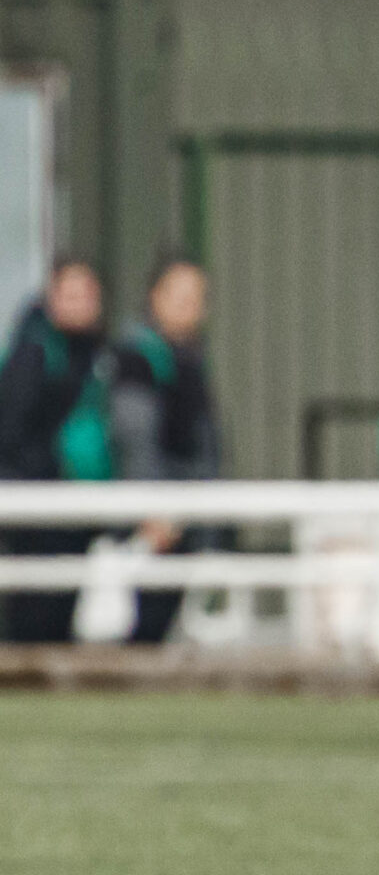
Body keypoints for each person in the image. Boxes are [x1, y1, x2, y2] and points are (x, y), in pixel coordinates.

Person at [109, 258, 222, 645]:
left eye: (197, 298)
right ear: (155, 297)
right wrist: (150, 506)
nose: (192, 307)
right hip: (158, 510)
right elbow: (135, 435)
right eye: (182, 297)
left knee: (162, 617)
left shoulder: (186, 356)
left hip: (184, 504)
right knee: (147, 622)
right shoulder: (139, 357)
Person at [0, 260, 110, 643]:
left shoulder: (98, 354)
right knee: (34, 616)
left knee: (62, 612)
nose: (79, 304)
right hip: (38, 505)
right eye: (70, 295)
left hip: (75, 504)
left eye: (87, 295)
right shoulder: (33, 351)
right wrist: (53, 473)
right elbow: (12, 433)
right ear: (52, 298)